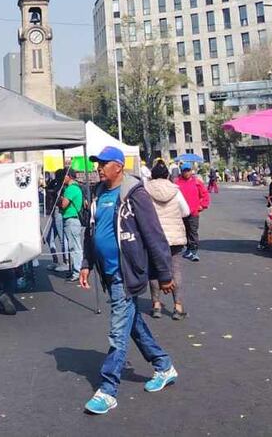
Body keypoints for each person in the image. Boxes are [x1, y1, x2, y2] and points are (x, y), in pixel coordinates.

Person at [79, 146, 177, 415]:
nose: (98, 167)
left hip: (127, 272)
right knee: (132, 323)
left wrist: (165, 274)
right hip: (107, 272)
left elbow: (154, 235)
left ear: (119, 166)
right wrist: (86, 264)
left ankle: (108, 389)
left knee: (117, 331)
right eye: (97, 163)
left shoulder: (135, 194)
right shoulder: (98, 194)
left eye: (103, 163)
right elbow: (91, 233)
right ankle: (163, 365)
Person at [146, 162, 189, 320]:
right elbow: (186, 211)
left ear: (152, 175)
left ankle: (156, 305)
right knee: (175, 270)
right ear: (167, 175)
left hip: (154, 237)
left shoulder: (145, 190)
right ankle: (178, 307)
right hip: (174, 237)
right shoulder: (175, 191)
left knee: (154, 270)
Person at [175, 162, 210, 262]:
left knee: (193, 231)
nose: (186, 173)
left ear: (191, 171)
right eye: (184, 171)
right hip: (181, 213)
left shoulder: (197, 182)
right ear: (181, 172)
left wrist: (202, 205)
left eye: (188, 170)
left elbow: (205, 195)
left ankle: (194, 251)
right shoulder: (177, 183)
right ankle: (188, 248)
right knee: (184, 231)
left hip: (194, 212)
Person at [59, 168, 85, 282]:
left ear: (68, 176)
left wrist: (60, 199)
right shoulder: (77, 187)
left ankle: (77, 271)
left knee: (74, 246)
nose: (62, 179)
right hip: (75, 220)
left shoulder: (70, 189)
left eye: (63, 176)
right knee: (75, 246)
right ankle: (76, 269)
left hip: (71, 219)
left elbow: (64, 204)